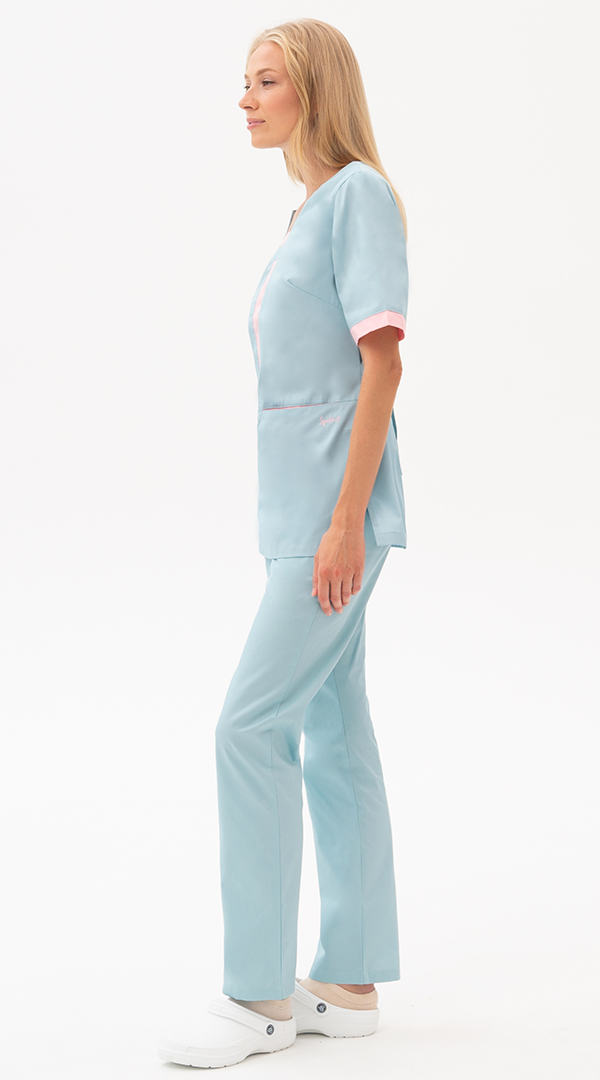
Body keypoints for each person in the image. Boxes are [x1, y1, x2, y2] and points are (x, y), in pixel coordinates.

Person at [158, 17, 409, 1070]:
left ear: (315, 90)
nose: (246, 99)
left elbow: (383, 364)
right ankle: (348, 981)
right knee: (332, 731)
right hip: (297, 521)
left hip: (329, 523)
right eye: (246, 81)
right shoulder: (306, 214)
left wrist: (344, 521)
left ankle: (257, 995)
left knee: (246, 728)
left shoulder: (356, 196)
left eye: (266, 81)